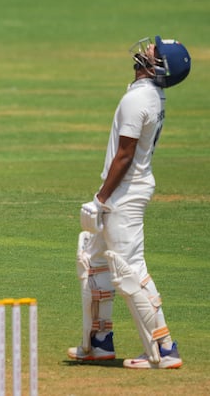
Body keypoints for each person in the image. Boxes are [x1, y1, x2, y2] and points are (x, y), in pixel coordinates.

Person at [67, 36, 191, 369]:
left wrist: (100, 199)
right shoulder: (145, 96)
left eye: (154, 51)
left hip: (124, 194)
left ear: (158, 66)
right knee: (93, 263)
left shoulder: (139, 101)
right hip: (121, 191)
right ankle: (99, 342)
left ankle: (164, 350)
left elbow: (125, 155)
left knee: (129, 269)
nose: (147, 49)